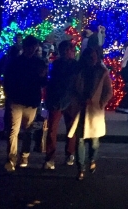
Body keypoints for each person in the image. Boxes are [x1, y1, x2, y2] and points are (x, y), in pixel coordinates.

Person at [3, 36, 48, 172]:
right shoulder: (17, 62)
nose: (32, 49)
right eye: (30, 47)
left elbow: (43, 83)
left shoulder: (35, 63)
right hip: (20, 100)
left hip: (29, 101)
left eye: (34, 47)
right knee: (15, 130)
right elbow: (8, 81)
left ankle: (22, 156)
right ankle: (14, 157)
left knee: (26, 130)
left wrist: (42, 77)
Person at [69, 46, 112, 180]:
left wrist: (101, 103)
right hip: (81, 108)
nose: (92, 59)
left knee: (94, 140)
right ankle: (80, 168)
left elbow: (108, 91)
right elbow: (73, 88)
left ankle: (92, 159)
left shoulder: (102, 72)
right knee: (80, 140)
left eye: (94, 57)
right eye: (90, 57)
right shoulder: (80, 71)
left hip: (94, 110)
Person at [43, 40, 79, 169]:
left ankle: (67, 154)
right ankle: (52, 156)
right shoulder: (58, 64)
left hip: (69, 100)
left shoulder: (74, 65)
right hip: (59, 99)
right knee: (53, 129)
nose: (67, 53)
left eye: (68, 50)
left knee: (69, 129)